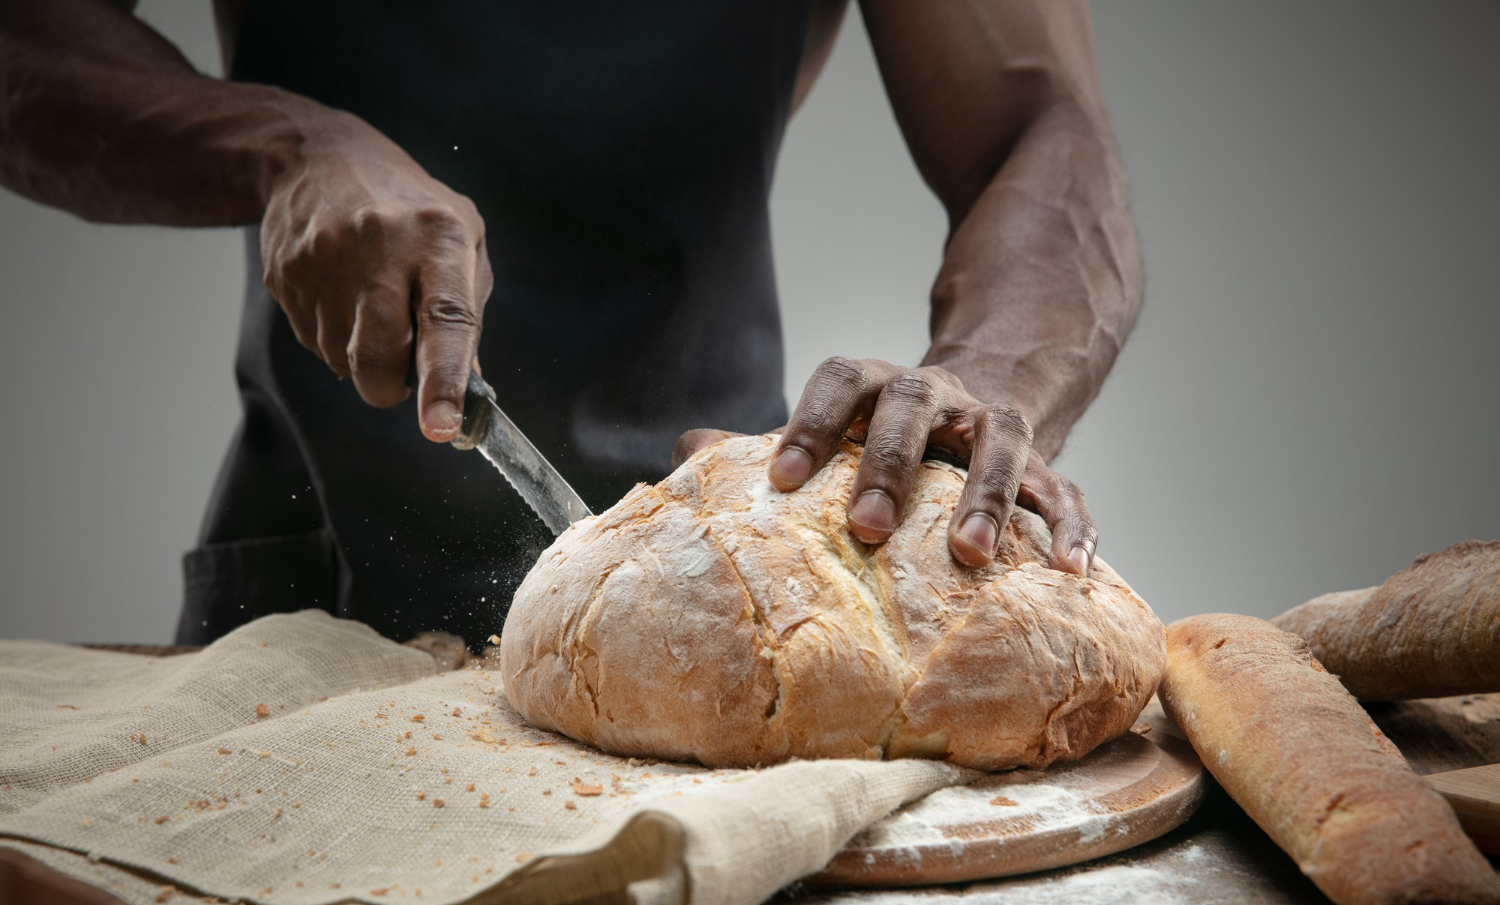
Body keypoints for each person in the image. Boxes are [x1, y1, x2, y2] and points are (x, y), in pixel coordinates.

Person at [0, 0, 1141, 646]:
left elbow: (1041, 123)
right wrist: (276, 143)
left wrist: (988, 373)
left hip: (732, 600)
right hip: (306, 609)